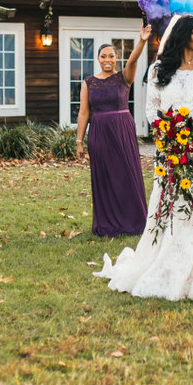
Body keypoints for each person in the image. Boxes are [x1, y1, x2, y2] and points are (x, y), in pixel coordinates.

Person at [95, 15, 193, 301]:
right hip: (170, 148)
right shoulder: (160, 69)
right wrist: (168, 138)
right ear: (184, 36)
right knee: (171, 203)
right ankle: (166, 264)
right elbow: (151, 110)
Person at [75, 32, 149, 237]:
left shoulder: (124, 77)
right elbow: (83, 112)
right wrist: (79, 141)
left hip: (122, 130)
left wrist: (142, 41)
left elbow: (133, 59)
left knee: (126, 174)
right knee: (105, 177)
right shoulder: (89, 82)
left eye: (111, 56)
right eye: (103, 56)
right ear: (98, 59)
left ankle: (133, 220)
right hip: (99, 131)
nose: (107, 60)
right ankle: (108, 222)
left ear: (117, 59)